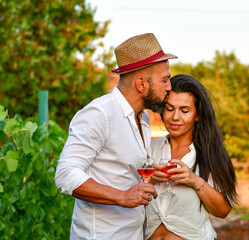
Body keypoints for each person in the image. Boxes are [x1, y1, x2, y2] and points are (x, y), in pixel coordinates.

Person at [54, 33, 177, 239]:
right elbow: (66, 174)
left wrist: (151, 174)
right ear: (141, 84)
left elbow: (123, 170)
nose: (169, 87)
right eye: (164, 80)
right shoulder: (99, 114)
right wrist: (122, 196)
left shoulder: (143, 119)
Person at [145, 74, 238, 240]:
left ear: (197, 115)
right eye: (170, 109)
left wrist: (195, 181)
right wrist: (149, 180)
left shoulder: (209, 153)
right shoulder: (148, 148)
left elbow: (222, 211)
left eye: (185, 111)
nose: (175, 117)